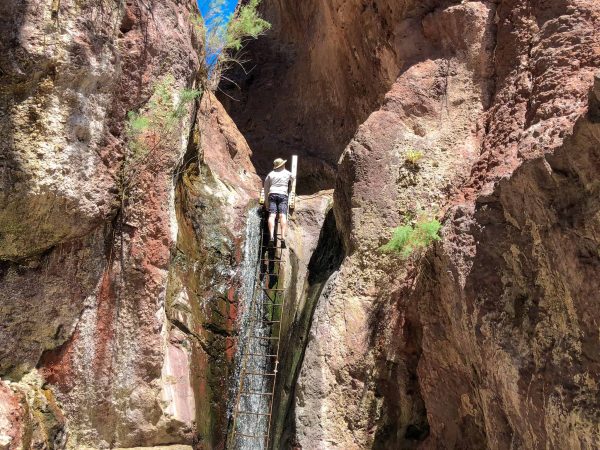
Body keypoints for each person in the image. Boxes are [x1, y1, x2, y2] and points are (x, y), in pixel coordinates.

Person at [263, 158, 294, 248]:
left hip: (272, 194)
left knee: (272, 216)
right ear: (283, 165)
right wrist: (290, 186)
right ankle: (283, 237)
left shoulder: (270, 174)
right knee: (282, 215)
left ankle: (272, 237)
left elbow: (266, 189)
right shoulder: (288, 173)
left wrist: (266, 202)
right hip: (283, 195)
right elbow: (293, 179)